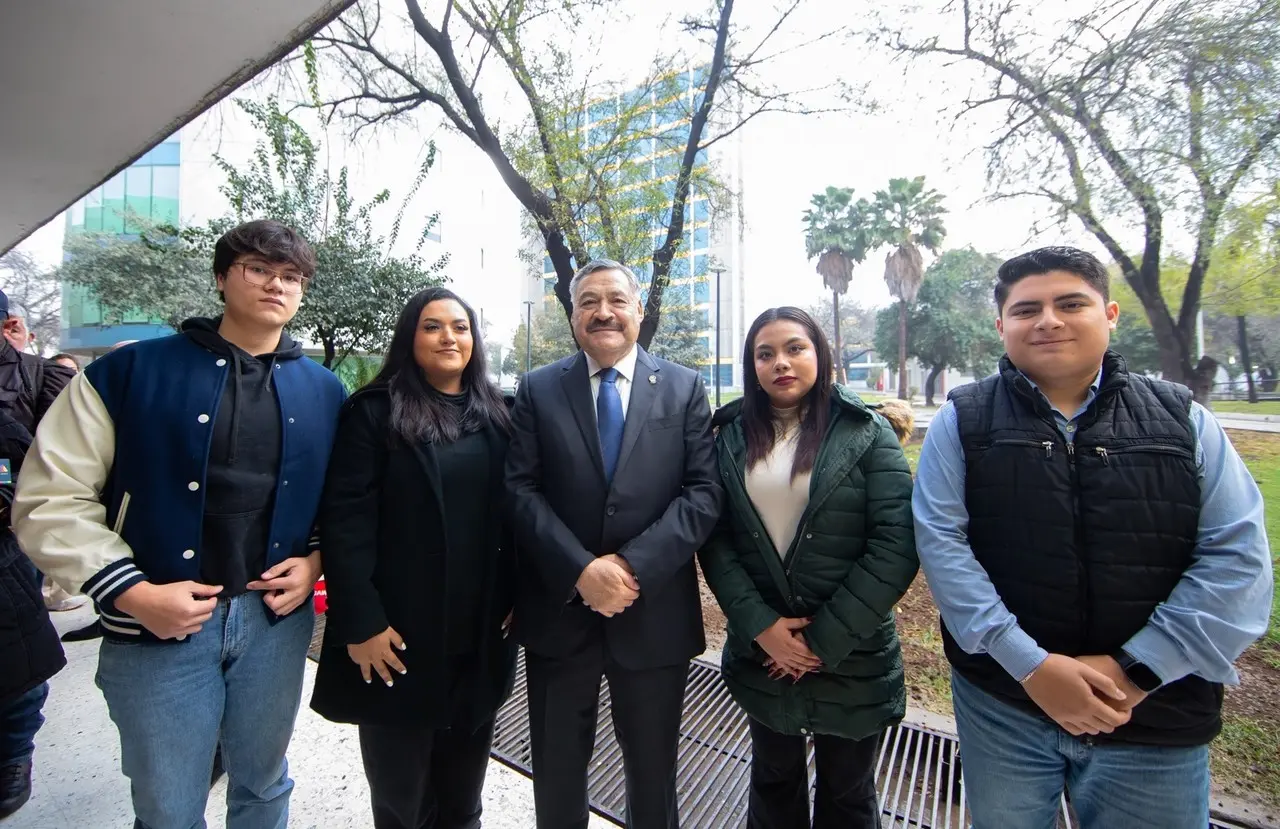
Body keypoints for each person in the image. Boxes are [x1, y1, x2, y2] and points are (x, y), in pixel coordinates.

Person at [913, 246, 1274, 829]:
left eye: (1070, 303)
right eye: (1028, 309)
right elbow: (944, 549)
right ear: (1002, 325)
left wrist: (1136, 671)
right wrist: (1030, 666)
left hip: (1155, 714)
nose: (1049, 320)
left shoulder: (1182, 420)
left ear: (1109, 313)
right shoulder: (964, 420)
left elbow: (1238, 563)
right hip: (1004, 703)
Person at [13, 219, 347, 829]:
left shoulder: (324, 390)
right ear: (221, 278)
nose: (277, 285)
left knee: (264, 783)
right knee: (168, 806)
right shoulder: (129, 373)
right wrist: (132, 591)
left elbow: (342, 499)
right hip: (158, 625)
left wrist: (316, 561)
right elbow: (50, 497)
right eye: (258, 269)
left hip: (273, 623)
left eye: (292, 276)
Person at [505, 259, 723, 829]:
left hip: (651, 613)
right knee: (556, 770)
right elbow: (520, 489)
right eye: (589, 301)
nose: (603, 312)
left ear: (639, 311)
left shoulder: (683, 387)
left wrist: (628, 568)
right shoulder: (537, 389)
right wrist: (581, 571)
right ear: (573, 314)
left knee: (654, 775)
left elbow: (703, 493)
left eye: (617, 300)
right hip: (560, 612)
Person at [699, 307, 917, 829]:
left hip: (853, 655)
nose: (781, 363)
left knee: (849, 795)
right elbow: (718, 541)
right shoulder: (729, 437)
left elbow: (896, 543)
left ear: (820, 353)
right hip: (764, 653)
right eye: (765, 353)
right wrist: (761, 628)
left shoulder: (867, 432)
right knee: (774, 783)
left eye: (795, 348)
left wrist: (822, 642)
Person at [311, 287, 517, 829]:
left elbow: (519, 518)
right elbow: (345, 523)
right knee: (402, 799)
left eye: (460, 326)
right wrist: (361, 620)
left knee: (463, 797)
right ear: (410, 336)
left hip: (477, 639)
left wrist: (521, 597)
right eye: (432, 326)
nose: (449, 337)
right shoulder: (375, 414)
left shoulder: (500, 415)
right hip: (396, 639)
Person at [0, 289, 75, 818]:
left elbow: (61, 464)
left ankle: (14, 753)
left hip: (8, 539)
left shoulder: (35, 376)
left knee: (14, 655)